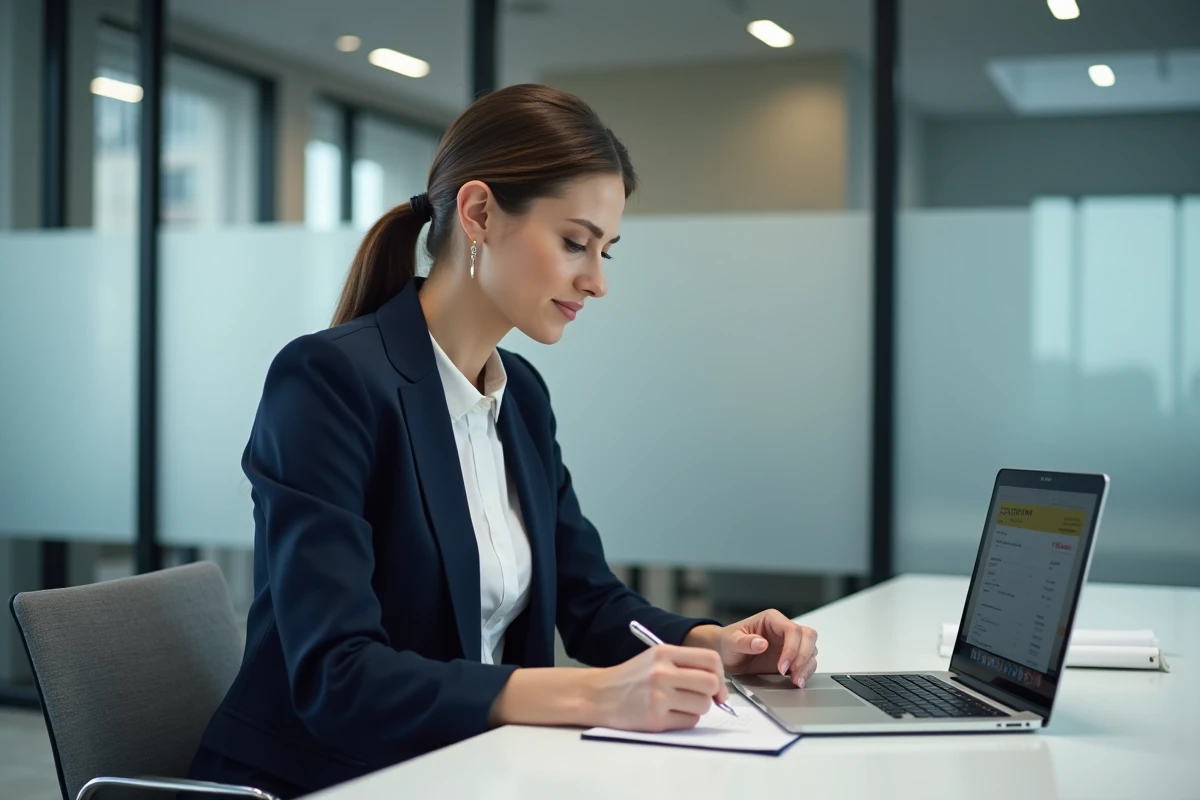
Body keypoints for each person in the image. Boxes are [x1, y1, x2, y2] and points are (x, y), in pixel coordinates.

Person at [188, 84, 818, 798]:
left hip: (470, 770)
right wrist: (595, 695)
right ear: (480, 213)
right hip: (323, 780)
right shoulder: (329, 381)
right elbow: (339, 676)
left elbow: (589, 600)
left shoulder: (521, 397)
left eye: (606, 251)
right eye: (575, 243)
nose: (597, 282)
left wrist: (717, 645)